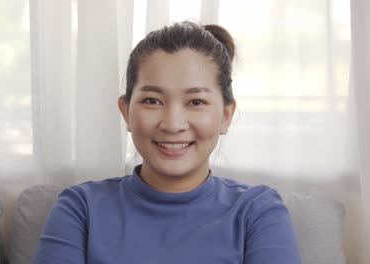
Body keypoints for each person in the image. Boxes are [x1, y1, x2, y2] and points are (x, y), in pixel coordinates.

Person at [33, 21, 301, 264]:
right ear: (126, 111)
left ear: (226, 116)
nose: (173, 124)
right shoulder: (80, 208)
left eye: (196, 102)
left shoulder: (258, 212)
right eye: (152, 101)